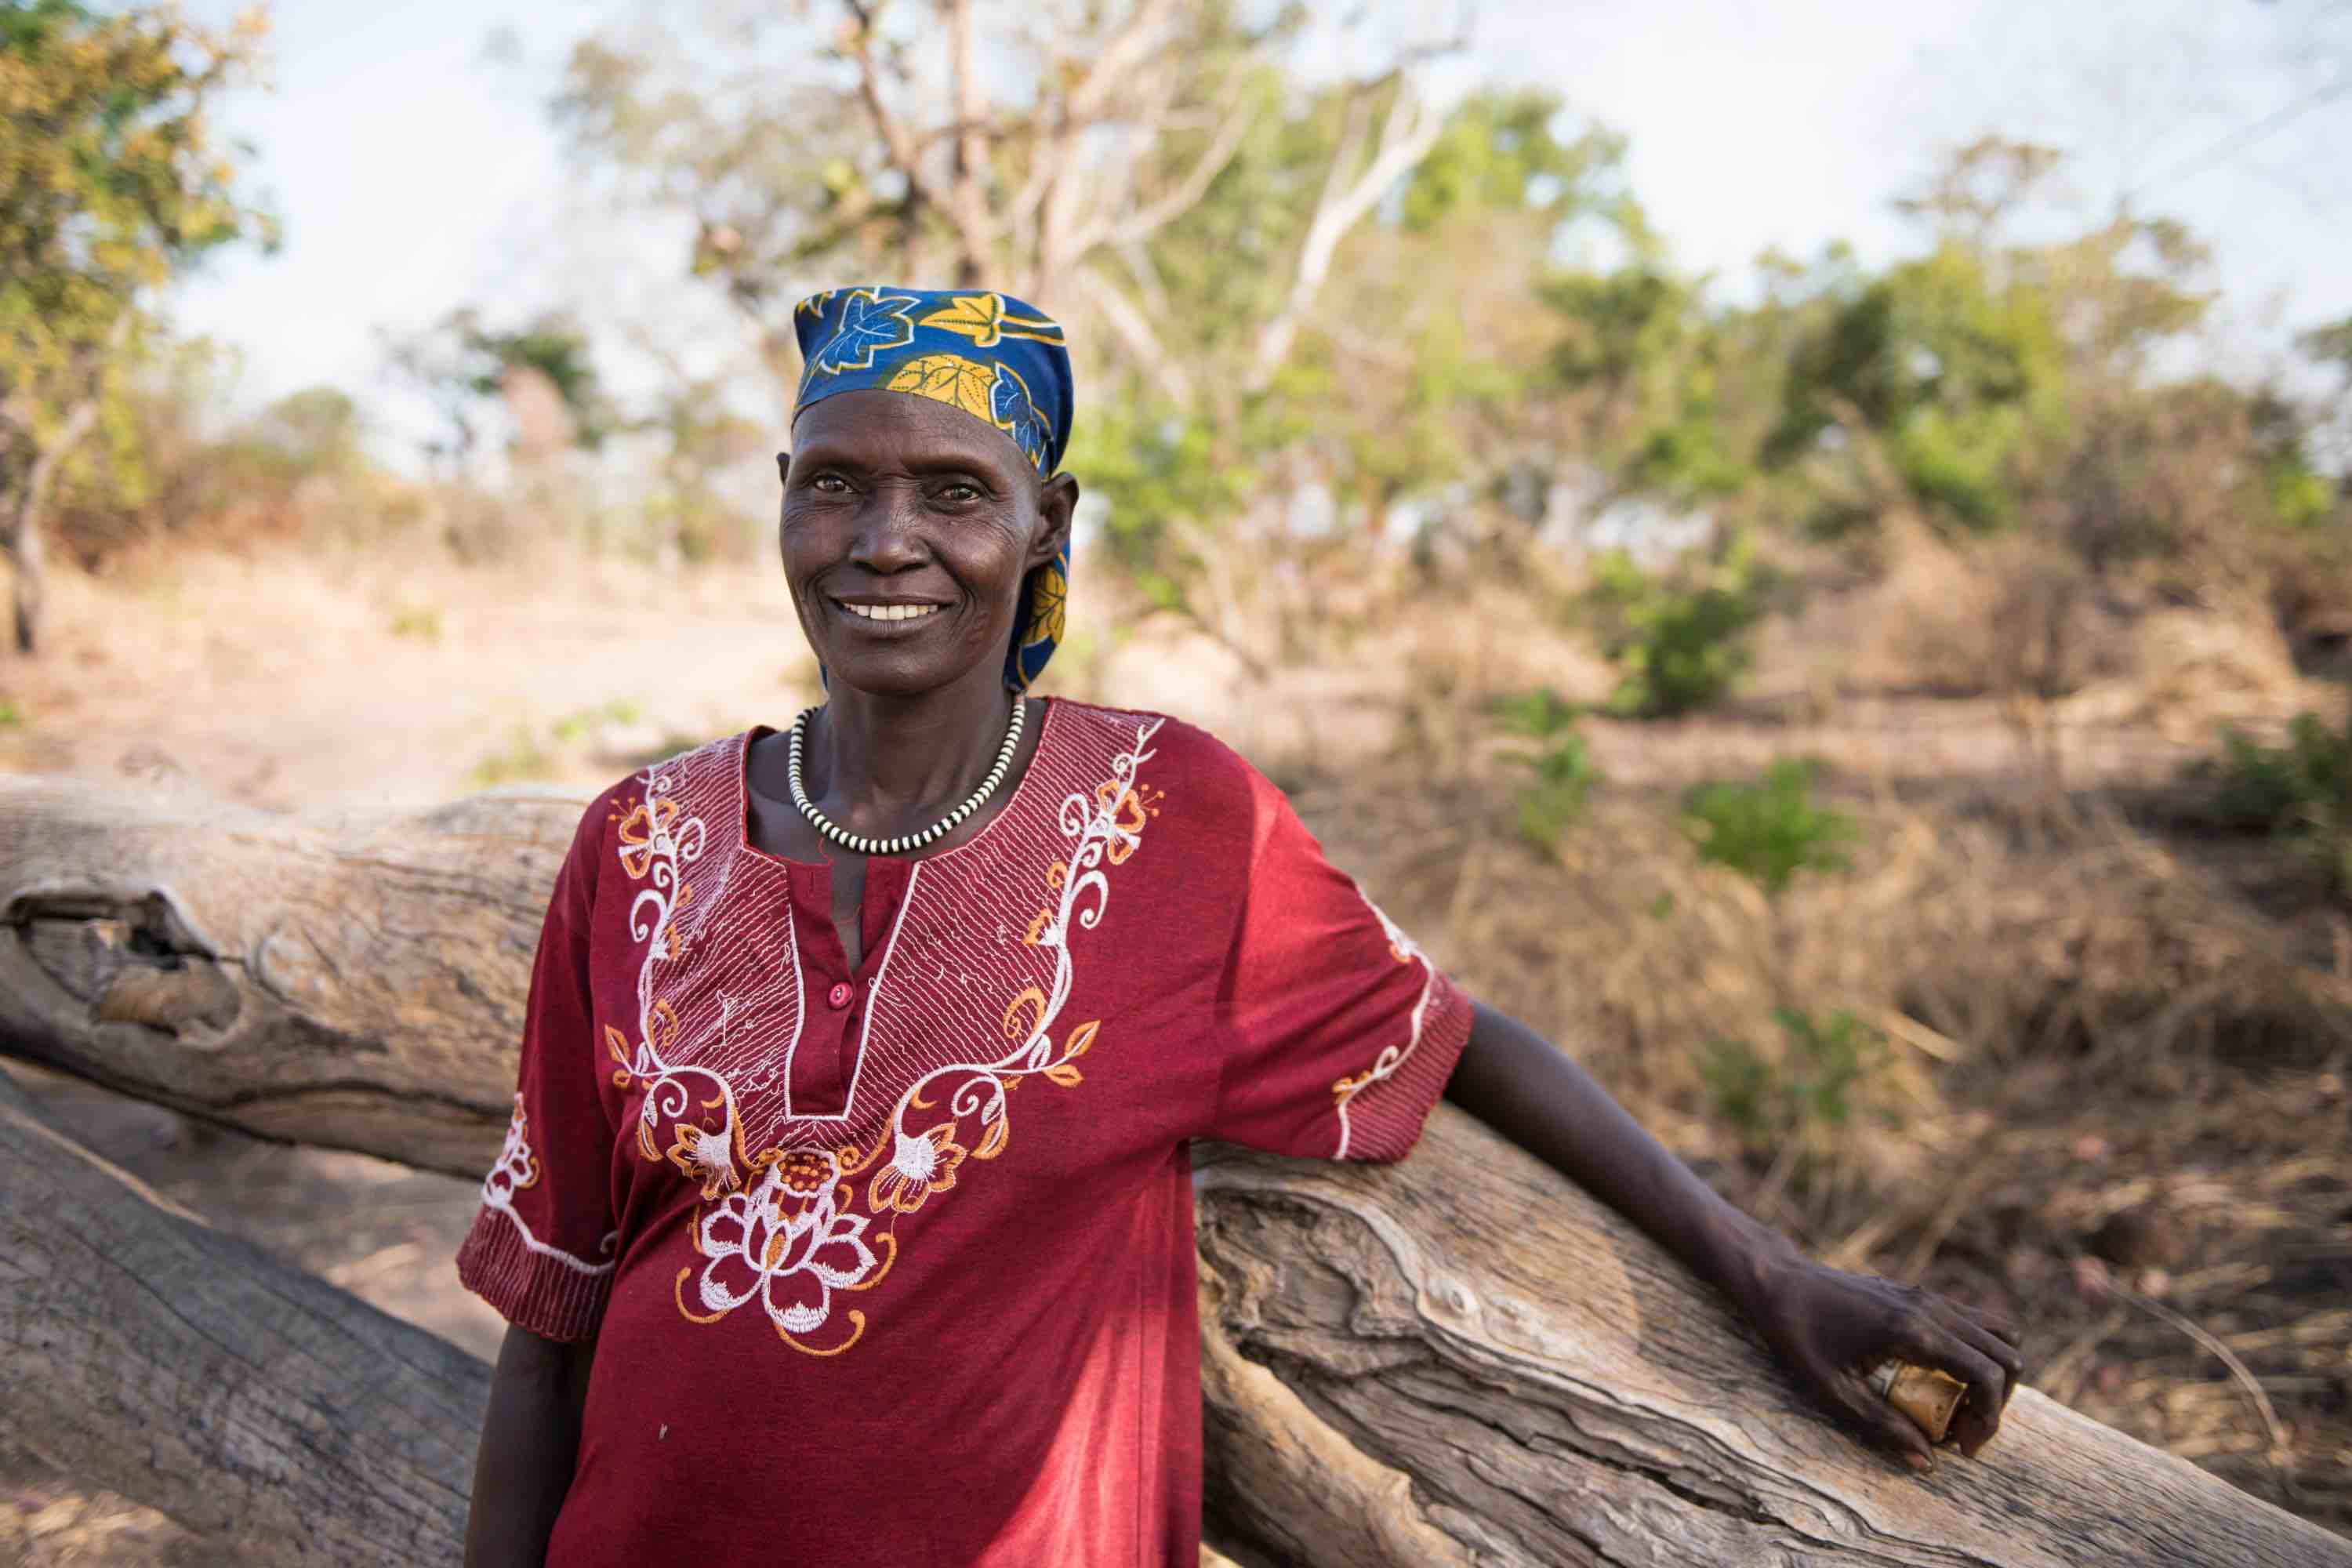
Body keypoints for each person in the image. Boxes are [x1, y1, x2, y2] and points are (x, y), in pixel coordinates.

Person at [457, 285, 2024, 1567]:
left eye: (955, 492)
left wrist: (1767, 1275)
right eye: (833, 483)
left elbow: (1452, 1035)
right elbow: (551, 1324)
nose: (884, 540)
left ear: (1046, 521)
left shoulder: (1169, 820)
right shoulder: (640, 842)